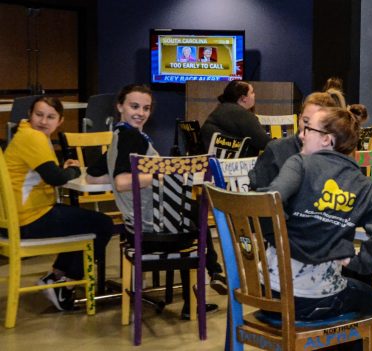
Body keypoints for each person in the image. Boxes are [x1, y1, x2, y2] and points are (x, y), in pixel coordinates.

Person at [262, 106, 372, 350]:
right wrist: (362, 263)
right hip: (318, 298)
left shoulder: (299, 164)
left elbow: (268, 201)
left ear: (327, 139)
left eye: (308, 129)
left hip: (269, 291)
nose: (301, 135)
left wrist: (290, 235)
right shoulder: (363, 184)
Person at [86, 84, 224, 316]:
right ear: (120, 106)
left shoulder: (119, 138)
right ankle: (211, 275)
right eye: (134, 106)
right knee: (192, 215)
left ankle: (209, 277)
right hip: (154, 227)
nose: (140, 113)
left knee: (187, 212)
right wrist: (163, 176)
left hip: (138, 226)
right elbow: (121, 182)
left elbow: (91, 177)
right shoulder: (132, 138)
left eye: (146, 108)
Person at [2, 96, 114, 311]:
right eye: (39, 115)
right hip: (27, 220)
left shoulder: (25, 135)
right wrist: (72, 170)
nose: (44, 121)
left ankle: (56, 279)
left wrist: (63, 169)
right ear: (29, 115)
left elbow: (46, 172)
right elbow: (55, 178)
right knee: (102, 224)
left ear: (60, 121)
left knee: (78, 221)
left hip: (18, 218)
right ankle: (66, 284)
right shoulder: (33, 137)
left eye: (50, 117)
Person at [249, 90, 346, 190]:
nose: (308, 128)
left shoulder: (337, 154)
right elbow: (260, 197)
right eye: (306, 121)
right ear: (299, 119)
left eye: (317, 124)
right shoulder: (276, 150)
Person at [200, 80, 271, 155]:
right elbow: (264, 143)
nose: (254, 95)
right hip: (230, 161)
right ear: (243, 98)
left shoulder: (223, 108)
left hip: (211, 159)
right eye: (252, 92)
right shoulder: (241, 114)